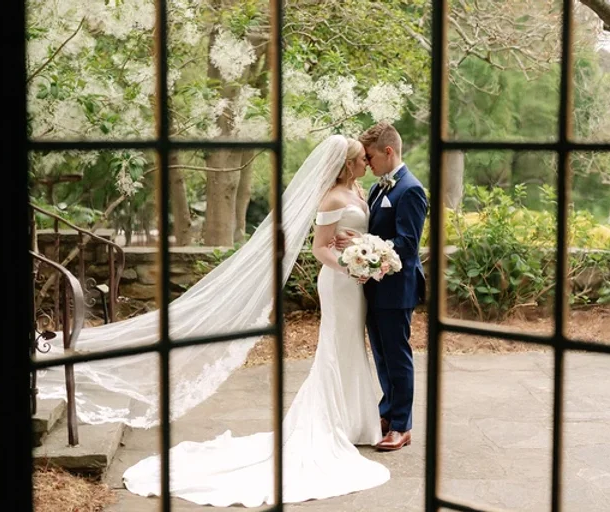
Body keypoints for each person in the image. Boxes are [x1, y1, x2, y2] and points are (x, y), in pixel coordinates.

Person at [122, 136, 391, 507]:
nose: (367, 162)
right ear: (346, 164)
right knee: (336, 346)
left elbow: (354, 233)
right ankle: (334, 422)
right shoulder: (331, 197)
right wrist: (350, 264)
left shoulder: (359, 188)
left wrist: (366, 248)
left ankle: (356, 421)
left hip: (356, 284)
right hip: (339, 284)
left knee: (351, 348)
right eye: (361, 159)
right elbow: (320, 248)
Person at [337, 122, 428, 452]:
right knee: (382, 356)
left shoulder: (411, 190)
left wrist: (362, 242)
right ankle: (387, 412)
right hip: (374, 286)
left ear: (389, 152)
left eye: (371, 156)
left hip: (397, 289)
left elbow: (406, 244)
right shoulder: (378, 189)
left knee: (397, 355)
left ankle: (402, 426)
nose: (368, 163)